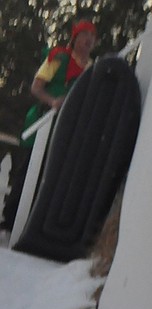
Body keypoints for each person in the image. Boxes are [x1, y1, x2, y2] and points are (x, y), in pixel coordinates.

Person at [1, 19, 97, 232]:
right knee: (28, 171)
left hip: (67, 129)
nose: (89, 39)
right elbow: (37, 87)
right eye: (84, 34)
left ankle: (34, 224)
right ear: (75, 38)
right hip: (44, 122)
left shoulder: (92, 69)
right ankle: (10, 220)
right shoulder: (59, 58)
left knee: (52, 176)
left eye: (92, 35)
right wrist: (53, 101)